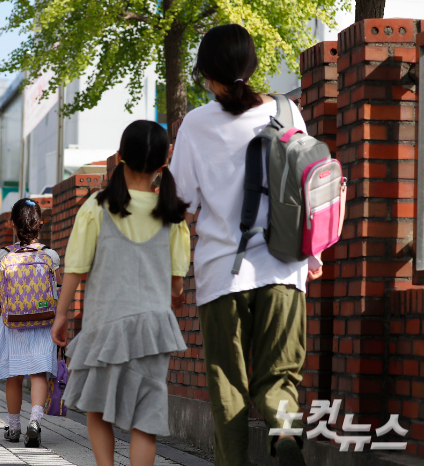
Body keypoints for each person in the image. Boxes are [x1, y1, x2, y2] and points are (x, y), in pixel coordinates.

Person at [170, 24, 324, 466]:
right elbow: (306, 186)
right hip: (285, 268)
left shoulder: (197, 123)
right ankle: (288, 445)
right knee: (279, 384)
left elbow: (182, 202)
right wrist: (313, 254)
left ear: (208, 76)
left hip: (222, 276)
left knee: (228, 390)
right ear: (252, 67)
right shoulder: (289, 112)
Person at [52, 120, 190, 466]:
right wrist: (173, 296)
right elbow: (178, 286)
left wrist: (61, 314)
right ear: (164, 162)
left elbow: (76, 268)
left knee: (98, 407)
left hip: (105, 324)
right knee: (146, 417)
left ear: (120, 157)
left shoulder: (97, 206)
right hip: (155, 331)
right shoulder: (174, 216)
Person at [0, 199, 60, 447]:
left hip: (13, 323)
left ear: (12, 225)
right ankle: (35, 421)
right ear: (40, 223)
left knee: (14, 375)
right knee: (39, 373)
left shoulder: (4, 255)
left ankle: (14, 427)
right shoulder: (49, 255)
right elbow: (55, 293)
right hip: (43, 321)